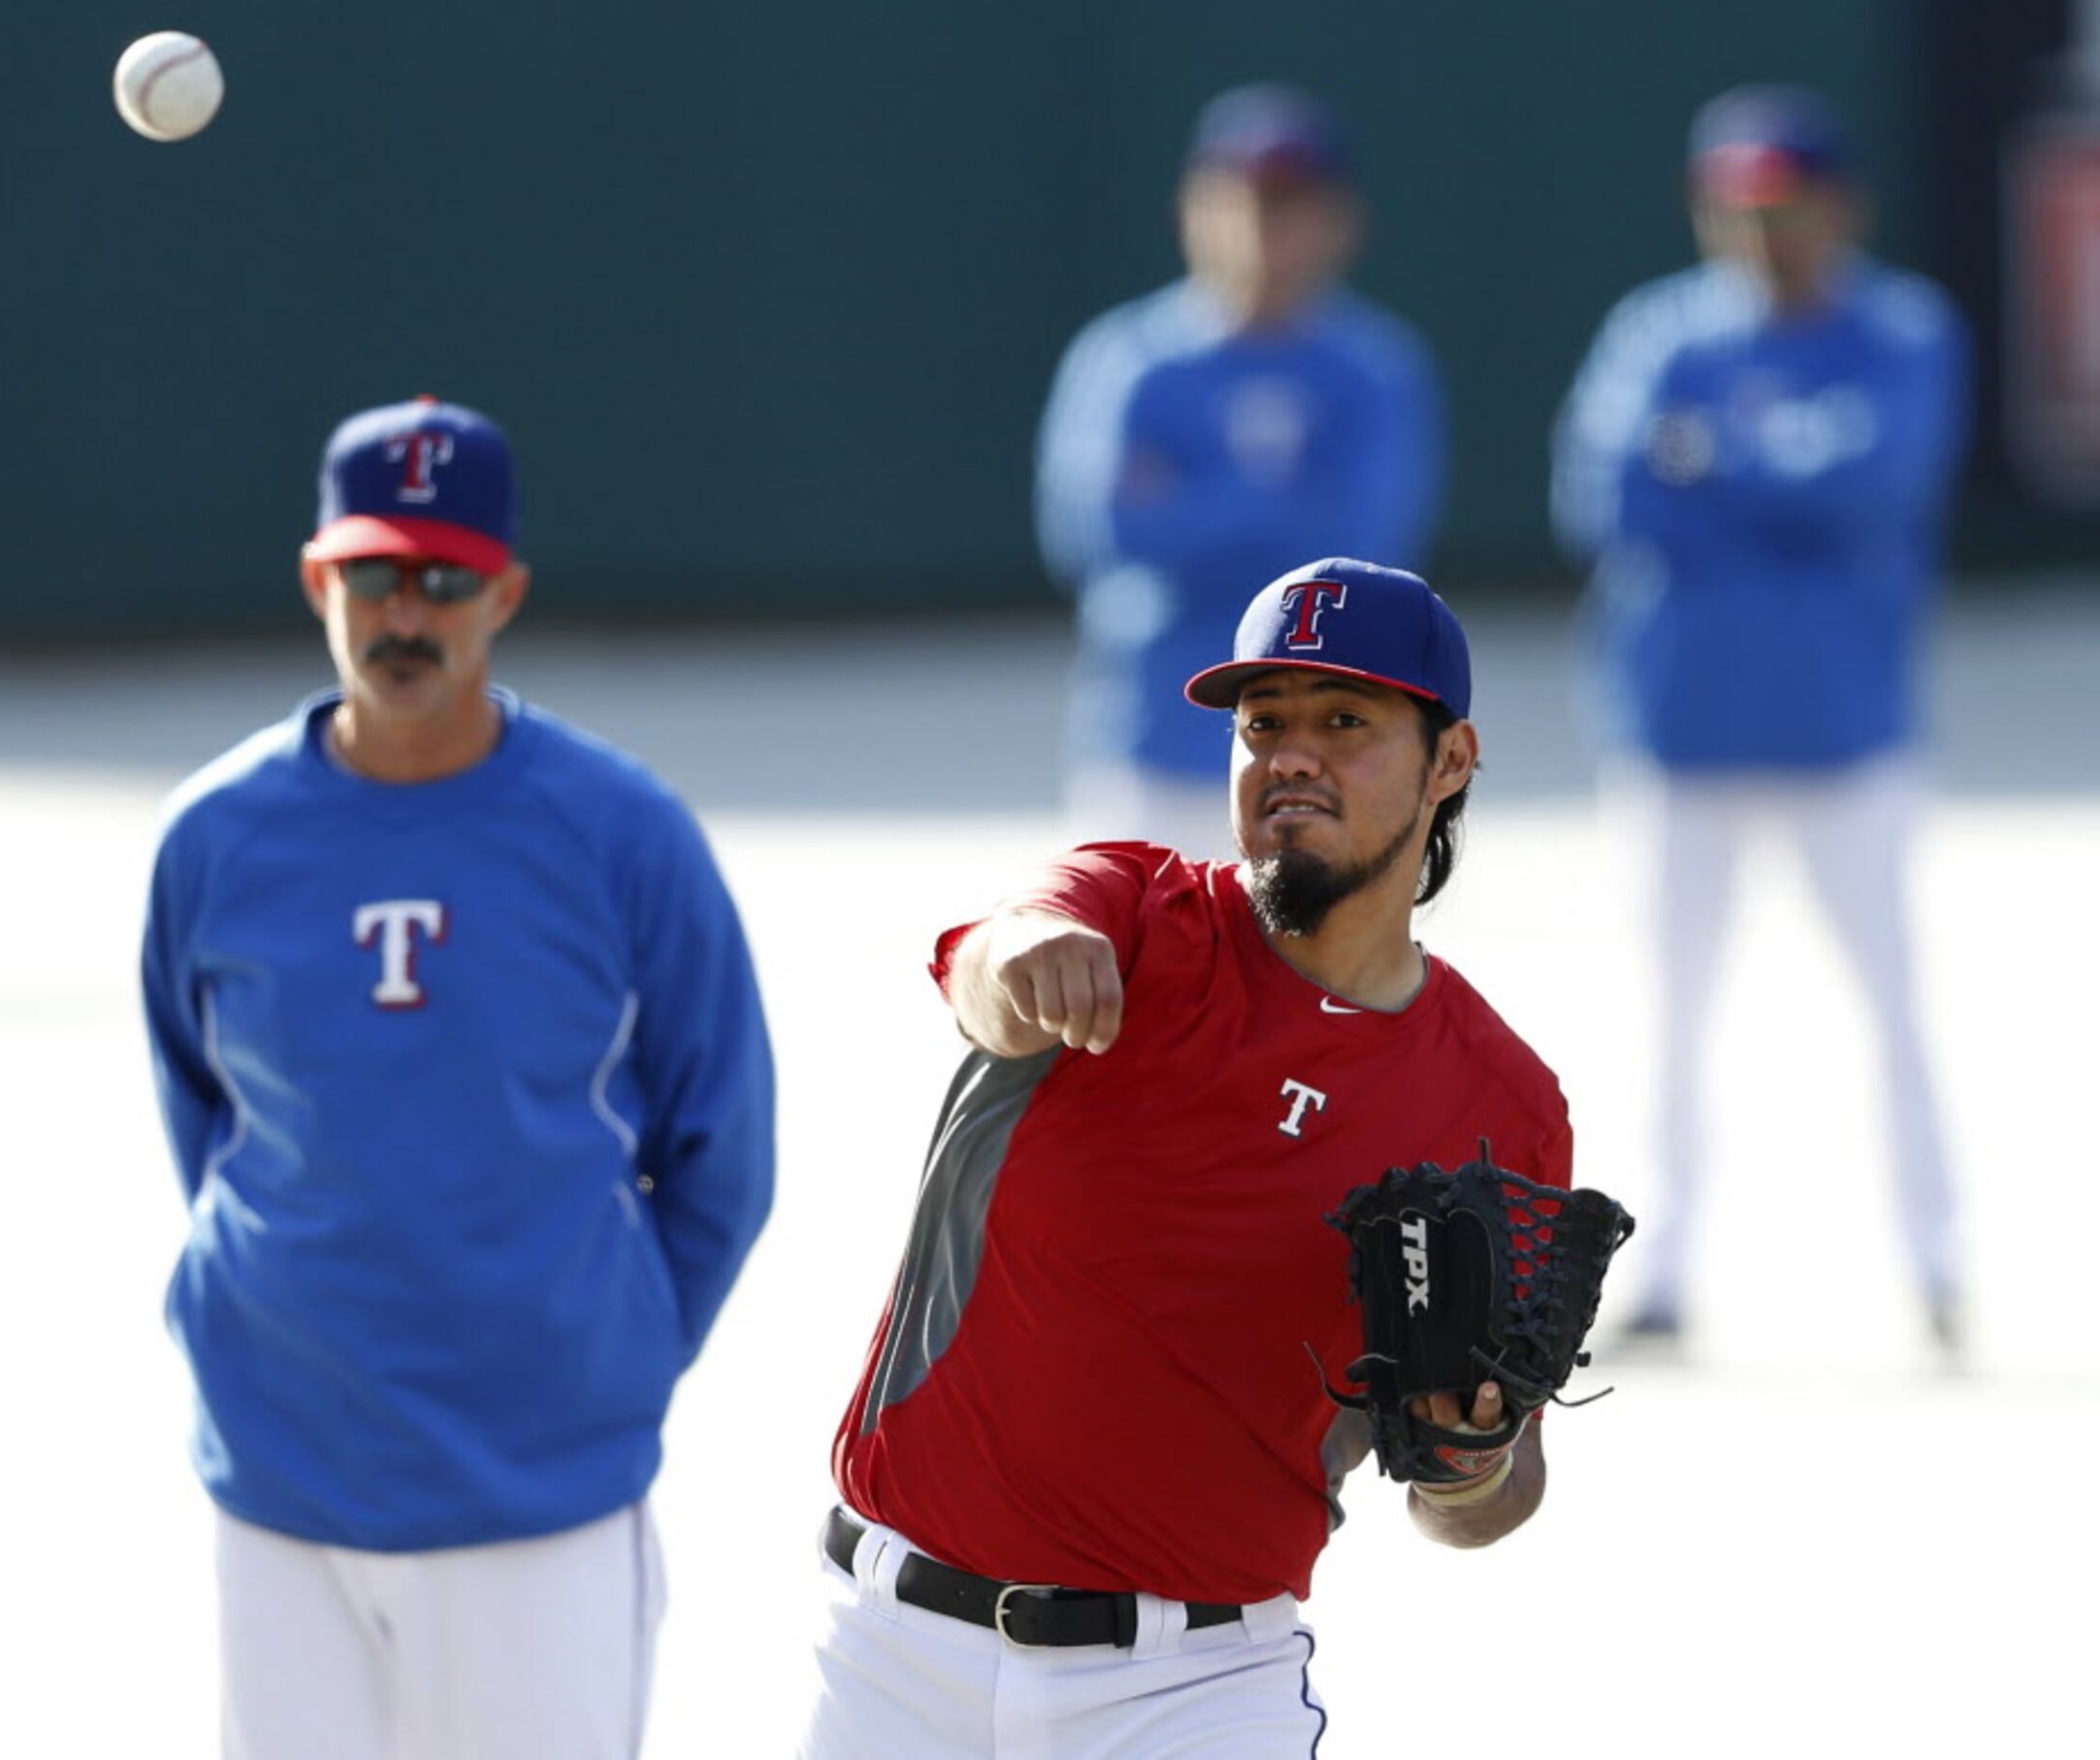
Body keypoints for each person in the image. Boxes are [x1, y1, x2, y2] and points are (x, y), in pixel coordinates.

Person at [802, 557, 1573, 1755]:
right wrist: (1024, 960)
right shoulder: (1127, 912)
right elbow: (992, 966)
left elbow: (1483, 1500)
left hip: (1196, 1693)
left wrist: (1472, 1458)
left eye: (1345, 722)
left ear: (1451, 761)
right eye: (1263, 723)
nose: (1292, 755)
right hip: (896, 1662)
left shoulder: (1499, 1106)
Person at [139, 395, 776, 1759]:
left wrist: (610, 1356)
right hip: (281, 1469)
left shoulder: (622, 833)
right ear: (319, 577)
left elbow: (722, 1145)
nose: (406, 614)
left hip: (536, 1487)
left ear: (506, 594)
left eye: (445, 579)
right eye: (374, 573)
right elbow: (203, 1112)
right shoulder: (213, 835)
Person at [1552, 85, 1970, 1356]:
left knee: (1889, 1003)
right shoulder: (1657, 333)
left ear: (1838, 206)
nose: (1759, 232)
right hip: (1678, 727)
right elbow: (1603, 497)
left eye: (1783, 206)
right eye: (1734, 208)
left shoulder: (1898, 331)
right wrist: (1775, 483)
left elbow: (1870, 487)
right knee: (1668, 1015)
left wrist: (1715, 469)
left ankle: (1933, 1261)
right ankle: (1659, 1269)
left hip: (1843, 733)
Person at [1035, 83, 1443, 859]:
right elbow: (1098, 533)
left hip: (1322, 755)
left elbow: (1364, 551)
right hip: (1151, 733)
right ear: (1193, 210)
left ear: (1338, 221)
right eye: (1241, 201)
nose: (1263, 228)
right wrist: (1282, 503)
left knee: (1306, 980)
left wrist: (1192, 502)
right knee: (1127, 971)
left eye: (1288, 205)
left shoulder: (1374, 369)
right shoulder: (1129, 361)